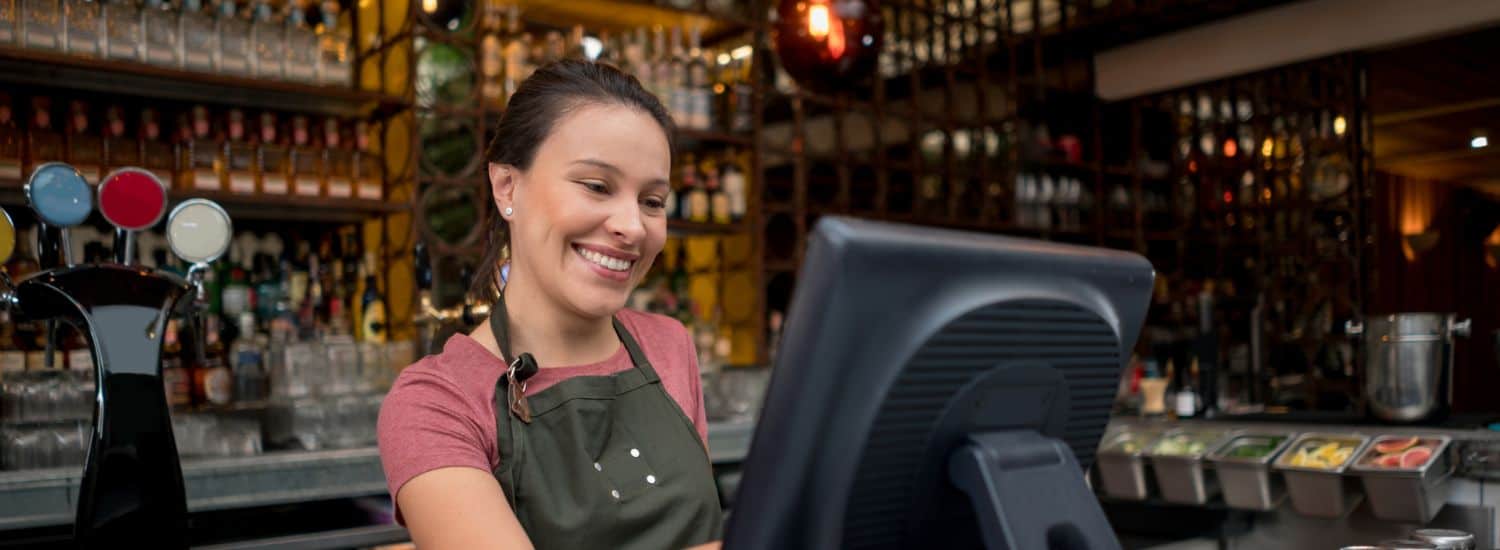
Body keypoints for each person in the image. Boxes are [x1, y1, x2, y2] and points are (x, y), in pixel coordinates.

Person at [378, 60, 722, 550]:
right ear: (506, 187)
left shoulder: (669, 345)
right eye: (597, 186)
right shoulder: (436, 403)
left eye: (652, 200)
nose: (633, 226)